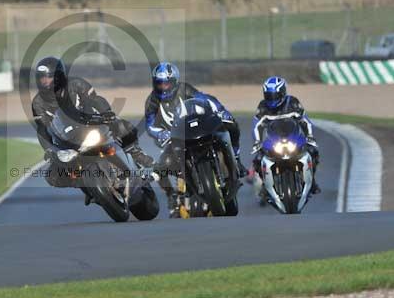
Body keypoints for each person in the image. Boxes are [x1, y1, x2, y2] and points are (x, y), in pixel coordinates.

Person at [31, 57, 154, 197]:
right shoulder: (38, 103)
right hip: (68, 138)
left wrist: (107, 114)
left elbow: (96, 100)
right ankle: (86, 186)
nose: (44, 81)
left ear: (58, 76)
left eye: (48, 77)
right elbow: (42, 129)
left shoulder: (76, 84)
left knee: (120, 125)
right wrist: (50, 149)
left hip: (92, 123)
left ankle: (136, 153)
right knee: (51, 174)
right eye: (41, 78)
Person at [144, 62, 246, 218]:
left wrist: (221, 111)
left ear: (174, 82)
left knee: (232, 126)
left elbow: (205, 99)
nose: (163, 87)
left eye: (166, 83)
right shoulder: (152, 100)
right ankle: (172, 195)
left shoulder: (185, 89)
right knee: (161, 167)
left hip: (196, 128)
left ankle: (236, 157)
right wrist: (161, 134)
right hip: (173, 137)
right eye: (159, 83)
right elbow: (150, 124)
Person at [251, 76, 321, 194]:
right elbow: (256, 125)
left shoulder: (293, 102)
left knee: (313, 152)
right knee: (257, 160)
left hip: (293, 137)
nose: (272, 99)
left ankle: (312, 181)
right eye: (268, 96)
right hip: (273, 140)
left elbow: (305, 120)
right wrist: (257, 142)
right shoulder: (262, 106)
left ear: (283, 93)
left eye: (274, 96)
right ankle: (265, 185)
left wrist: (310, 135)